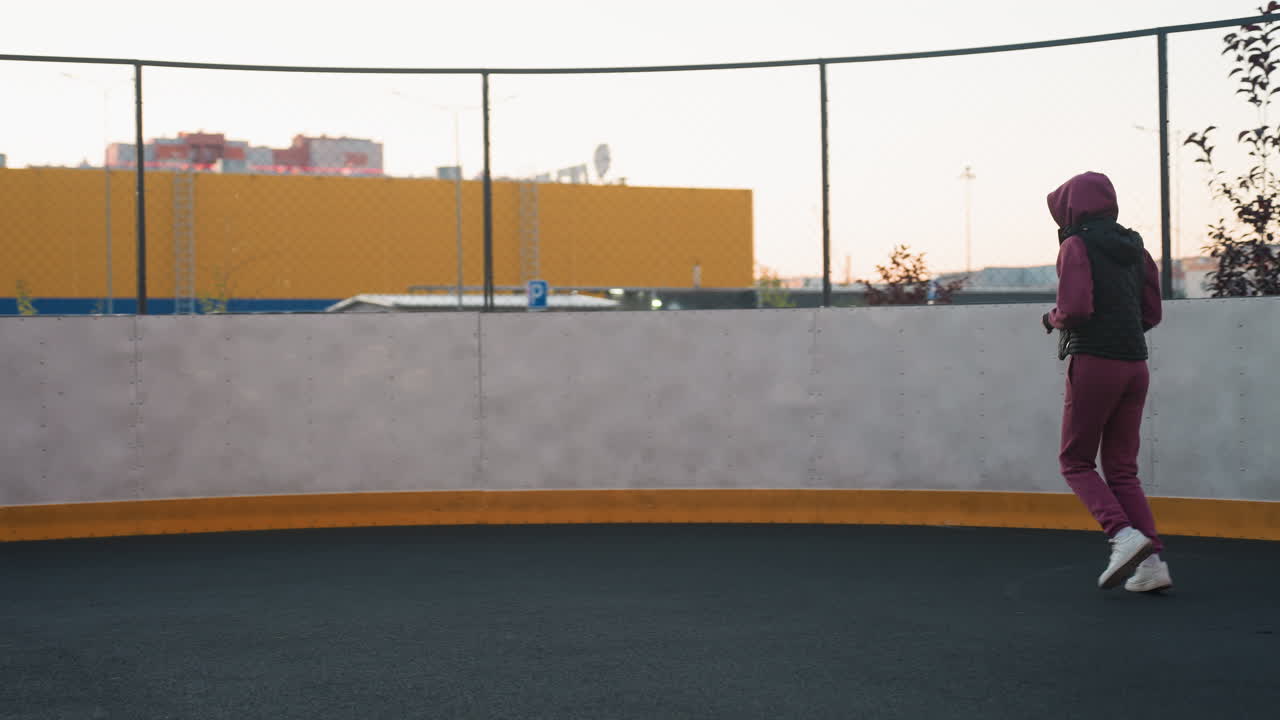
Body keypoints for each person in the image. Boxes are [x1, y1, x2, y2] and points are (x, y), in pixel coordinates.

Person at [1041, 171, 1172, 592]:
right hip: (1135, 364)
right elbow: (1151, 313)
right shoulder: (1138, 250)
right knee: (1121, 469)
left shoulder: (1075, 246)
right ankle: (1152, 566)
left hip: (1095, 362)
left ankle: (1121, 534)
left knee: (1075, 461)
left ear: (1070, 208)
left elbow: (1075, 308)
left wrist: (1052, 318)